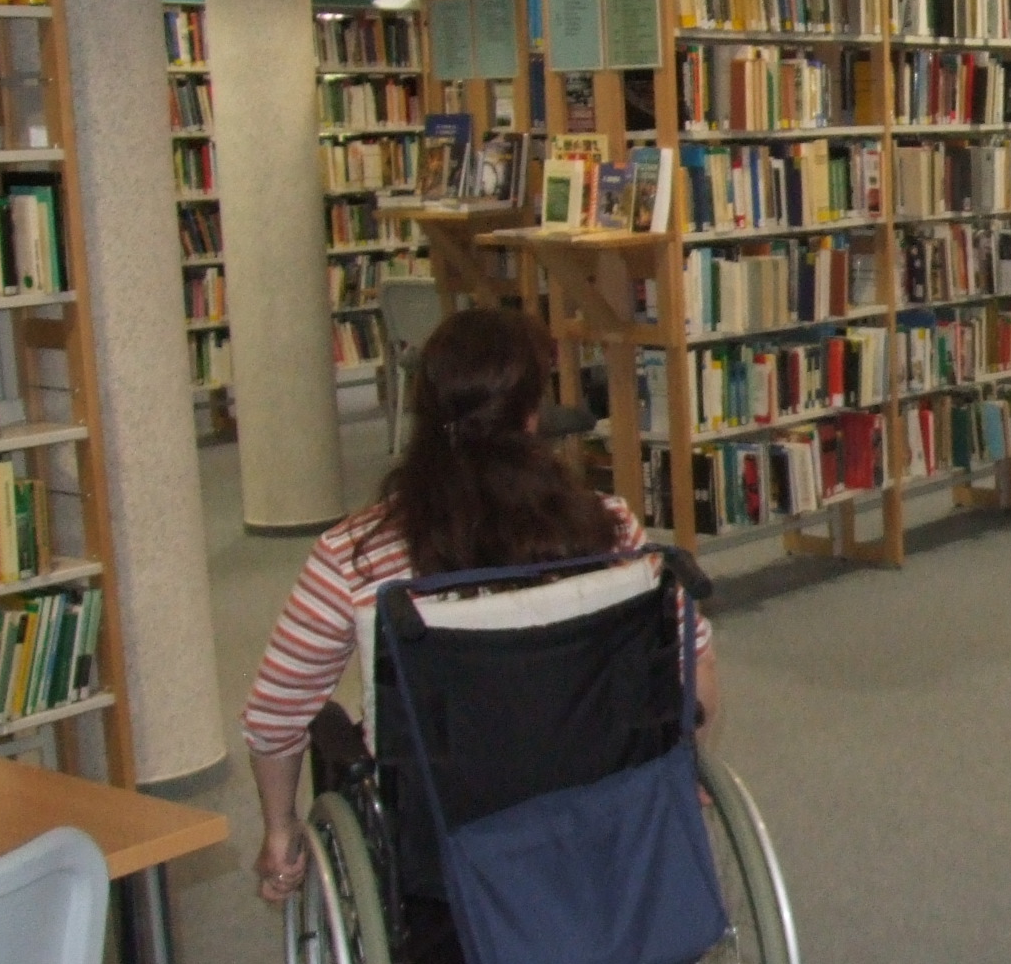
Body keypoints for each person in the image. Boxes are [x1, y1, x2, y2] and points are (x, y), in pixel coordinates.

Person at [243, 307, 716, 911]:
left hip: (448, 844)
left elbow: (274, 715)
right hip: (603, 805)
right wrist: (684, 763)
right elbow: (694, 660)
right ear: (531, 414)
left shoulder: (355, 556)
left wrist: (280, 831)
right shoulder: (611, 529)